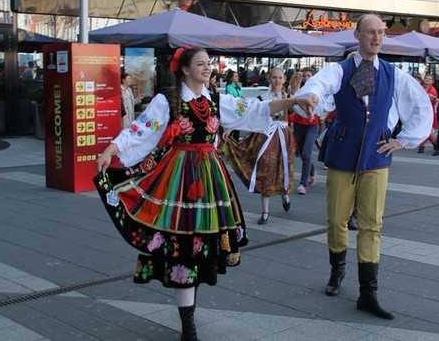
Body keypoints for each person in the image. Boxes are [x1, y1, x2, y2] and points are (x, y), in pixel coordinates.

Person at [94, 47, 315, 341]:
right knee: (182, 247)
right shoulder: (167, 101)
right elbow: (141, 129)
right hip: (179, 178)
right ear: (185, 69)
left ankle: (189, 316)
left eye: (208, 63)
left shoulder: (215, 99)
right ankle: (188, 326)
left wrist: (295, 100)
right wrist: (112, 148)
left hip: (210, 179)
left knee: (200, 247)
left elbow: (255, 111)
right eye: (200, 64)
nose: (207, 68)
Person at [295, 14, 432, 319]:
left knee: (372, 224)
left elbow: (420, 104)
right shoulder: (340, 69)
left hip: (376, 157)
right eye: (371, 32)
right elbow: (320, 84)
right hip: (343, 155)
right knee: (335, 220)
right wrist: (312, 96)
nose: (377, 37)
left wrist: (403, 140)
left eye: (381, 32)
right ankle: (337, 270)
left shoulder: (393, 74)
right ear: (357, 35)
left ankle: (368, 293)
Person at [221, 67, 294, 224]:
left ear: (284, 80)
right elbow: (247, 113)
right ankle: (265, 211)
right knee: (265, 169)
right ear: (269, 79)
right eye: (274, 77)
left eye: (280, 77)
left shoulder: (288, 97)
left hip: (283, 137)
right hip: (266, 136)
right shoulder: (262, 97)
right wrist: (231, 127)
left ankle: (284, 193)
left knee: (283, 168)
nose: (277, 80)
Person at [289, 67, 320, 195]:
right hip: (298, 124)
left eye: (309, 76)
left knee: (306, 153)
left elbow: (327, 103)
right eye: (305, 76)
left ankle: (303, 183)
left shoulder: (317, 89)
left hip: (312, 125)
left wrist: (324, 114)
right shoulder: (298, 89)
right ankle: (312, 172)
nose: (306, 78)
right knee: (302, 154)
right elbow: (291, 100)